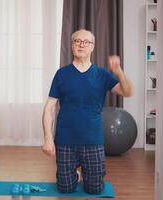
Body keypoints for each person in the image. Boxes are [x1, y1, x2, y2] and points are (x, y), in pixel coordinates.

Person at [42, 29, 133, 194]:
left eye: (86, 42)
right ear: (72, 46)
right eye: (77, 41)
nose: (81, 44)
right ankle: (74, 175)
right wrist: (48, 138)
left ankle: (88, 175)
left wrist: (118, 71)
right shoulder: (61, 74)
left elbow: (127, 92)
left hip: (93, 140)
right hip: (65, 139)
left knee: (95, 190)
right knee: (65, 189)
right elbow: (49, 107)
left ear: (92, 47)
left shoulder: (102, 74)